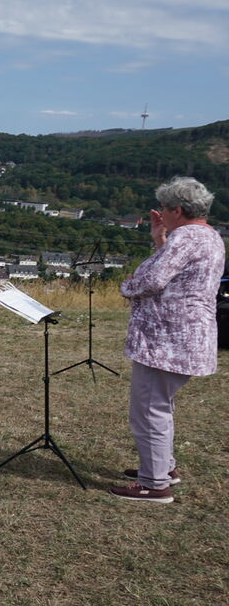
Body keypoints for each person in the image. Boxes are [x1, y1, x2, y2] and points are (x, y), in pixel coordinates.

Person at [111, 177, 224, 503]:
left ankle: (154, 483)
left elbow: (155, 279)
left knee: (148, 411)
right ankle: (165, 468)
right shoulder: (209, 236)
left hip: (167, 340)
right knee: (161, 406)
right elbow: (176, 271)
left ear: (177, 209)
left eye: (164, 207)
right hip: (189, 338)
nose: (160, 212)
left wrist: (128, 286)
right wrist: (160, 239)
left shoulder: (186, 237)